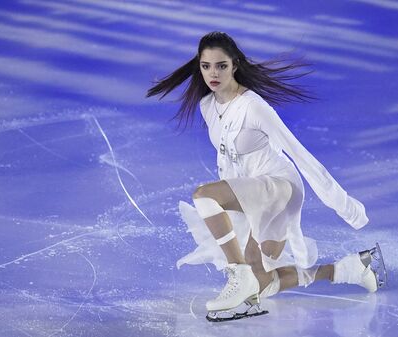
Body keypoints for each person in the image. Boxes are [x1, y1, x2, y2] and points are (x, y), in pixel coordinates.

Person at [146, 31, 385, 322]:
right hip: (250, 192)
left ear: (234, 65)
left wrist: (343, 204)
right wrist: (235, 207)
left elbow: (299, 155)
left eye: (221, 65)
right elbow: (227, 160)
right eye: (206, 66)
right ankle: (348, 269)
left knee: (204, 196)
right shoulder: (207, 106)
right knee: (262, 287)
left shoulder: (254, 106)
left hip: (278, 188)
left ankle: (239, 272)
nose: (213, 73)